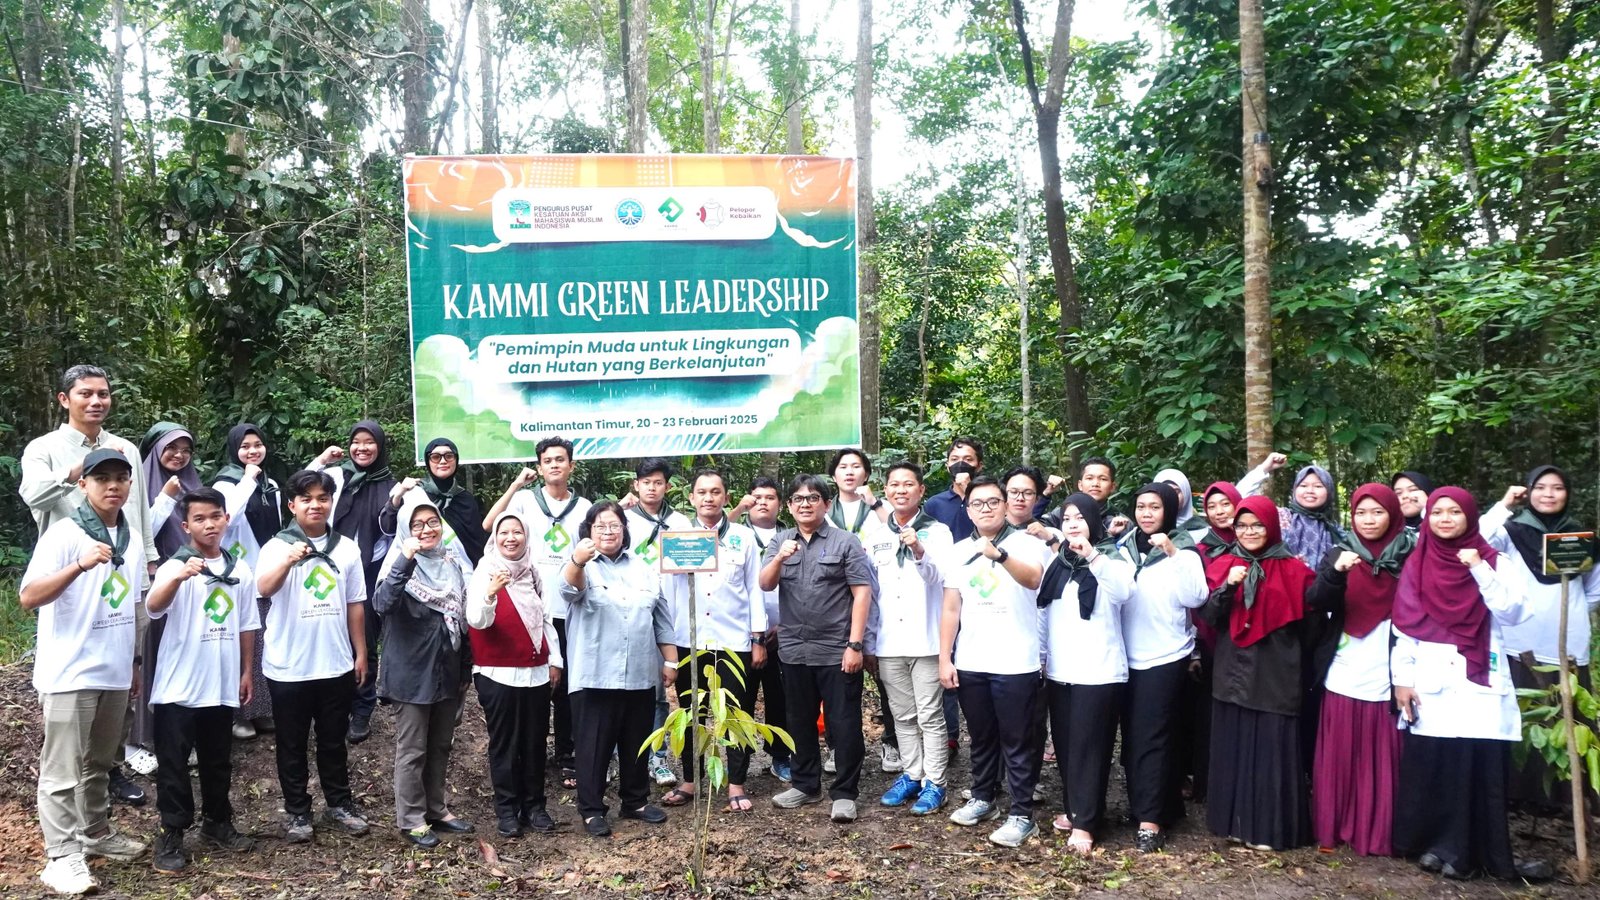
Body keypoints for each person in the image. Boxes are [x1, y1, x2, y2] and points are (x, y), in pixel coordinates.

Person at [1391, 488, 1549, 882]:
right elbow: (1405, 628)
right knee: (1437, 764)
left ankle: (1472, 855)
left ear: (1470, 516)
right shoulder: (1418, 563)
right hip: (1430, 679)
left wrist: (1478, 567)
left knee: (1475, 767)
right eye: (1438, 512)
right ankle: (1437, 847)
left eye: (1454, 512)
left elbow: (1514, 612)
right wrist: (1402, 681)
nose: (1445, 519)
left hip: (1479, 677)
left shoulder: (1495, 561)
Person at [20, 365, 156, 807]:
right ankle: (68, 771)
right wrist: (76, 468)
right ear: (65, 399)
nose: (96, 401)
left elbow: (139, 513)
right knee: (73, 670)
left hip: (122, 572)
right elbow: (33, 497)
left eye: (103, 394)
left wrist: (147, 562)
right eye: (85, 394)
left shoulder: (126, 450)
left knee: (124, 666)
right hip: (73, 577)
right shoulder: (44, 449)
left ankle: (110, 763)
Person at [20, 449, 149, 895]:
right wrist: (77, 565)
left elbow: (134, 606)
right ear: (83, 485)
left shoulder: (127, 538)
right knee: (62, 770)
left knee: (100, 761)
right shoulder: (65, 534)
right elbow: (29, 596)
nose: (112, 486)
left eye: (120, 478)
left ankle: (95, 831)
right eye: (102, 478)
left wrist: (133, 663)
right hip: (69, 671)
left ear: (130, 485)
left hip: (113, 668)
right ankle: (61, 856)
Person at [144, 487, 259, 873]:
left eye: (215, 516)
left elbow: (246, 624)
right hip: (179, 685)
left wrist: (246, 670)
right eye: (199, 519)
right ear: (185, 526)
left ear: (227, 518)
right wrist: (178, 576)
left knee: (218, 760)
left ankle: (217, 822)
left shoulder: (239, 568)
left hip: (221, 682)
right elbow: (154, 606)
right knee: (173, 763)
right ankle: (172, 832)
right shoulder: (176, 565)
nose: (209, 524)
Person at [254, 469, 371, 843]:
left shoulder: (346, 548)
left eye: (322, 498)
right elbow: (263, 589)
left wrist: (361, 652)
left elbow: (355, 604)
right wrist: (289, 561)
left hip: (334, 662)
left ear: (331, 503)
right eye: (306, 499)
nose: (315, 505)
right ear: (292, 505)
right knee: (291, 742)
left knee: (333, 739)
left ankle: (339, 803)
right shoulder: (276, 547)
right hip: (289, 666)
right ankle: (298, 811)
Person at [1200, 496, 1319, 851]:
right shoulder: (1225, 565)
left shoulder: (1297, 571)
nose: (1249, 532)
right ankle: (1232, 822)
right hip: (1232, 671)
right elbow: (1209, 619)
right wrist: (1229, 588)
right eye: (1242, 526)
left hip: (1276, 673)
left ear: (1273, 527)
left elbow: (1312, 631)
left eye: (1257, 525)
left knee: (1271, 748)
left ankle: (1270, 829)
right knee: (1234, 744)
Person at [938, 475, 1050, 848]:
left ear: (1005, 505)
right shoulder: (957, 552)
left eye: (992, 502)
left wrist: (999, 555)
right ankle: (983, 797)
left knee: (1017, 741)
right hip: (972, 659)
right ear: (967, 511)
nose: (985, 509)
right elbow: (951, 608)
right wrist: (945, 658)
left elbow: (1033, 580)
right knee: (982, 736)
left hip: (1016, 661)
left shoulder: (1025, 543)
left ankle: (1021, 814)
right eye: (977, 504)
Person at [1481, 466, 1600, 812]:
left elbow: (1594, 589)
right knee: (1523, 714)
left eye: (1557, 488)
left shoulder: (1582, 538)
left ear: (1568, 493)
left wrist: (1573, 607)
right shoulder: (1510, 532)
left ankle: (1567, 799)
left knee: (1569, 715)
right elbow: (1476, 542)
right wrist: (1504, 504)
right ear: (1528, 492)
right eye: (1541, 487)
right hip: (1521, 641)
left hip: (1568, 641)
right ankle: (1519, 795)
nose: (1549, 494)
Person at [559, 502, 679, 837]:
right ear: (589, 530)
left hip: (640, 672)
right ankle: (592, 809)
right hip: (595, 674)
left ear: (625, 529)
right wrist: (577, 560)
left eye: (614, 525)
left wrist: (670, 660)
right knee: (594, 745)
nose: (608, 532)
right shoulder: (582, 565)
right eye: (600, 526)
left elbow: (661, 619)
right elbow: (568, 590)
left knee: (636, 742)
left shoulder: (643, 568)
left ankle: (635, 801)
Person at [1306, 484, 1414, 856]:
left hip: (1393, 662)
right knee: (1341, 747)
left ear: (1392, 514)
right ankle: (1335, 826)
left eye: (1377, 512)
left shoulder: (1411, 553)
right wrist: (1336, 572)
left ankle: (1378, 829)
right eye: (1362, 513)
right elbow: (1315, 601)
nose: (1369, 520)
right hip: (1345, 662)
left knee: (1384, 747)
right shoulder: (1339, 551)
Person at [761, 475, 875, 823]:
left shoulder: (845, 542)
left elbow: (862, 593)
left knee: (843, 723)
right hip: (794, 649)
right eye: (798, 499)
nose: (805, 504)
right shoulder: (781, 540)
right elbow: (765, 583)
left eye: (813, 498)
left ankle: (844, 792)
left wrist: (855, 644)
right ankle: (805, 784)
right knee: (799, 721)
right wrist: (780, 558)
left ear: (826, 504)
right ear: (790, 505)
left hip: (837, 649)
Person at [481, 436, 592, 787]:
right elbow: (490, 526)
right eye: (548, 460)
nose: (555, 465)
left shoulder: (584, 505)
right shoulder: (527, 501)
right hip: (531, 608)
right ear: (540, 466)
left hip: (571, 607)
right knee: (539, 684)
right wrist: (515, 484)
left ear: (572, 466)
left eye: (561, 459)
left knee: (569, 683)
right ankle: (533, 754)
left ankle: (568, 753)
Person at [656, 468, 766, 812]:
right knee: (691, 713)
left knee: (737, 714)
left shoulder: (744, 538)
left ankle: (736, 784)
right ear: (691, 498)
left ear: (726, 498)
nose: (708, 498)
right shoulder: (676, 536)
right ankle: (691, 780)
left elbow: (754, 589)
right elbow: (669, 593)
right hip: (691, 640)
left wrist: (757, 637)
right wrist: (671, 648)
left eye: (715, 492)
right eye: (702, 492)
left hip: (734, 642)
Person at [373, 497, 475, 848]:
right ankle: (412, 818)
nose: (427, 529)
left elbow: (461, 620)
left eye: (433, 522)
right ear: (406, 530)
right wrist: (406, 556)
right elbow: (382, 605)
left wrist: (465, 667)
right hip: (411, 673)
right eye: (418, 524)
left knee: (441, 744)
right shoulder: (398, 568)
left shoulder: (452, 563)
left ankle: (436, 808)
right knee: (413, 747)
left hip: (448, 669)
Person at [1111, 482, 1208, 851]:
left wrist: (1171, 553)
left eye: (1154, 507)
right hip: (1124, 656)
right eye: (1141, 506)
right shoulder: (1120, 548)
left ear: (1168, 510)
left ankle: (1151, 821)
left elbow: (1196, 597)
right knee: (1133, 737)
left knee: (1154, 737)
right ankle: (1149, 806)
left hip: (1165, 655)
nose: (1147, 513)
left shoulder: (1183, 548)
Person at [1039, 493, 1134, 855]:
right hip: (1062, 670)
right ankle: (1075, 808)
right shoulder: (1058, 563)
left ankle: (1086, 824)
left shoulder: (1112, 557)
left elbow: (1124, 591)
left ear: (1094, 522)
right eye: (1066, 519)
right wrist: (1041, 658)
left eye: (1080, 517)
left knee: (1090, 749)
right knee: (1065, 747)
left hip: (1100, 671)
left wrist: (1091, 555)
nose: (1073, 524)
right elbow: (1044, 612)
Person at [467, 513, 564, 837]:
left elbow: (547, 618)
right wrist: (491, 593)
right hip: (497, 674)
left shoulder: (533, 571)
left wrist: (556, 660)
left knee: (535, 742)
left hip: (535, 672)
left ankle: (535, 806)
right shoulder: (486, 571)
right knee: (505, 744)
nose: (511, 538)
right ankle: (507, 810)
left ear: (526, 536)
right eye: (504, 532)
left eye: (517, 532)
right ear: (495, 537)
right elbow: (476, 620)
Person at [867, 461, 954, 816]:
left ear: (921, 491)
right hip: (889, 643)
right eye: (894, 485)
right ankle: (911, 774)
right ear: (886, 491)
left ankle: (936, 782)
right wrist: (870, 643)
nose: (900, 490)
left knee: (930, 715)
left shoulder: (939, 532)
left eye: (908, 485)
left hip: (927, 640)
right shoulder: (874, 536)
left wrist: (919, 549)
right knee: (901, 715)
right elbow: (870, 594)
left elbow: (941, 580)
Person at [309, 421, 396, 744]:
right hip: (331, 563)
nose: (363, 448)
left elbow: (392, 529)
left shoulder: (390, 484)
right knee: (331, 632)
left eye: (369, 442)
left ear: (380, 446)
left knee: (365, 637)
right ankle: (335, 705)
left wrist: (397, 501)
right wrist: (321, 461)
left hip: (370, 570)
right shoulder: (336, 476)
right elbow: (301, 490)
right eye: (356, 441)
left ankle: (362, 708)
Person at [132, 422, 205, 773]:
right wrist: (165, 498)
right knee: (152, 658)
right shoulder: (139, 486)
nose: (179, 455)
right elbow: (140, 535)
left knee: (185, 653)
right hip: (156, 583)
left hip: (194, 584)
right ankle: (142, 740)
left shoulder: (194, 485)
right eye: (171, 448)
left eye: (185, 449)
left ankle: (183, 733)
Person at [621, 458, 692, 788]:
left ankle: (658, 757)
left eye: (658, 481)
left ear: (668, 486)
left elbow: (697, 563)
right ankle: (620, 756)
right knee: (621, 690)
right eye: (646, 481)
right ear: (636, 485)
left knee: (660, 694)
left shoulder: (680, 522)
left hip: (670, 616)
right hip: (629, 615)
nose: (652, 487)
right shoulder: (621, 520)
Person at [828, 448, 900, 775]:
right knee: (837, 679)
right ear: (834, 475)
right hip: (837, 600)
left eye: (856, 466)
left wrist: (875, 503)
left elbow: (898, 530)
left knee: (885, 676)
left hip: (879, 598)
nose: (849, 471)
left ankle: (892, 742)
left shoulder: (878, 508)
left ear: (867, 474)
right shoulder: (823, 508)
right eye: (843, 466)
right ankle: (836, 746)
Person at [212, 423, 282, 739]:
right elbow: (227, 520)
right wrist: (246, 480)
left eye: (257, 444)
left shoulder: (272, 485)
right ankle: (237, 715)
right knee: (242, 645)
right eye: (245, 446)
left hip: (266, 572)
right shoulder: (226, 484)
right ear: (234, 450)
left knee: (264, 641)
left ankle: (261, 710)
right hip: (238, 574)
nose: (252, 451)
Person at [733, 476, 792, 782]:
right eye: (756, 497)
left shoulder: (790, 535)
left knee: (780, 697)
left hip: (783, 630)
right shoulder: (736, 534)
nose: (763, 502)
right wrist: (735, 510)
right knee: (741, 698)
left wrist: (784, 626)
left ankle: (780, 756)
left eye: (770, 497)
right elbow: (706, 534)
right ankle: (738, 761)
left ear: (780, 504)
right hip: (742, 631)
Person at [380, 437, 489, 567]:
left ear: (456, 460)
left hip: (461, 571)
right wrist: (399, 495)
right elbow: (388, 527)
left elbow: (476, 544)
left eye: (449, 456)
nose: (443, 461)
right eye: (436, 457)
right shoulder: (414, 493)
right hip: (421, 571)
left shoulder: (465, 499)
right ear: (428, 461)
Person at [923, 437, 984, 542]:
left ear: (979, 466)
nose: (960, 464)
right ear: (947, 466)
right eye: (954, 459)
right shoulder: (934, 504)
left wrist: (969, 490)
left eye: (968, 459)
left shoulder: (989, 500)